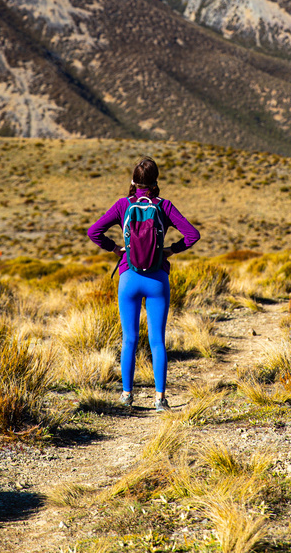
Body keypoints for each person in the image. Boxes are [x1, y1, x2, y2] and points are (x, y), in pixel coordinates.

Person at [87, 156, 200, 411]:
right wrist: (170, 250)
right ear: (155, 181)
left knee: (129, 339)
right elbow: (193, 235)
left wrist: (116, 249)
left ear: (133, 181)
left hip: (129, 278)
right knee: (157, 341)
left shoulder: (122, 205)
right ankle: (160, 399)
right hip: (157, 279)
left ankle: (127, 396)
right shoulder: (164, 206)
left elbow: (93, 232)